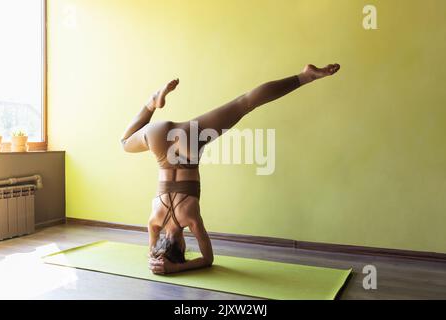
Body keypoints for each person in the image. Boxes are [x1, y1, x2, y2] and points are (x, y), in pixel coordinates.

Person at [121, 64, 341, 274]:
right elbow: (152, 253)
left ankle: (305, 77)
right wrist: (161, 261)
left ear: (180, 246)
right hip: (158, 135)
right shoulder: (154, 220)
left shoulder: (190, 219)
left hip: (189, 144)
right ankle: (152, 102)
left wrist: (177, 268)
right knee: (125, 143)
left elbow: (208, 260)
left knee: (244, 105)